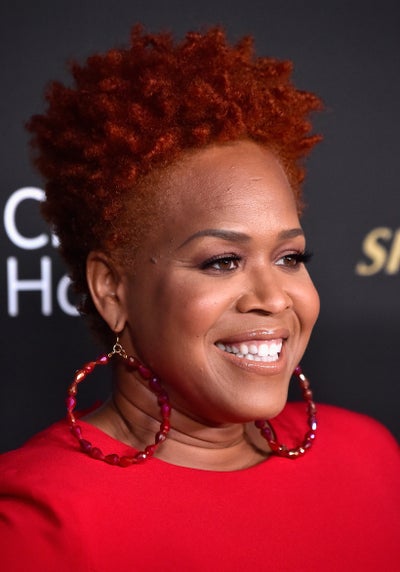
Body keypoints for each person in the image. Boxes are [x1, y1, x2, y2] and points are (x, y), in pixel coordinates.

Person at [0, 26, 398, 572]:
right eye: (222, 261)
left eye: (290, 257)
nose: (274, 299)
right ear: (111, 289)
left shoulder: (370, 458)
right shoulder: (38, 520)